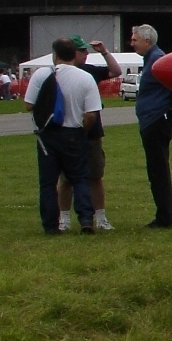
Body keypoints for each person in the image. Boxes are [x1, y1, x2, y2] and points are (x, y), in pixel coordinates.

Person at [25, 38, 102, 235]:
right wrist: (83, 132)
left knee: (48, 183)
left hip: (48, 134)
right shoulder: (85, 78)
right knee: (80, 178)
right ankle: (86, 219)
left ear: (55, 55)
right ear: (74, 54)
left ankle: (51, 225)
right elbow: (92, 113)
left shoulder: (42, 74)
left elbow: (28, 105)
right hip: (74, 132)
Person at [56, 37, 121, 231]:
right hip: (69, 130)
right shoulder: (59, 74)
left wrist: (104, 52)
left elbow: (116, 71)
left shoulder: (90, 71)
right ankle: (64, 218)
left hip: (91, 132)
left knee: (95, 174)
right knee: (66, 178)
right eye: (83, 51)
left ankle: (100, 217)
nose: (86, 55)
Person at [130, 24, 172, 228]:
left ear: (147, 41)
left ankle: (165, 217)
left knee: (158, 171)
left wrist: (167, 117)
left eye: (135, 39)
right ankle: (163, 215)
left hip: (156, 121)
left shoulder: (158, 60)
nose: (132, 43)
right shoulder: (151, 59)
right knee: (156, 170)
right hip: (152, 120)